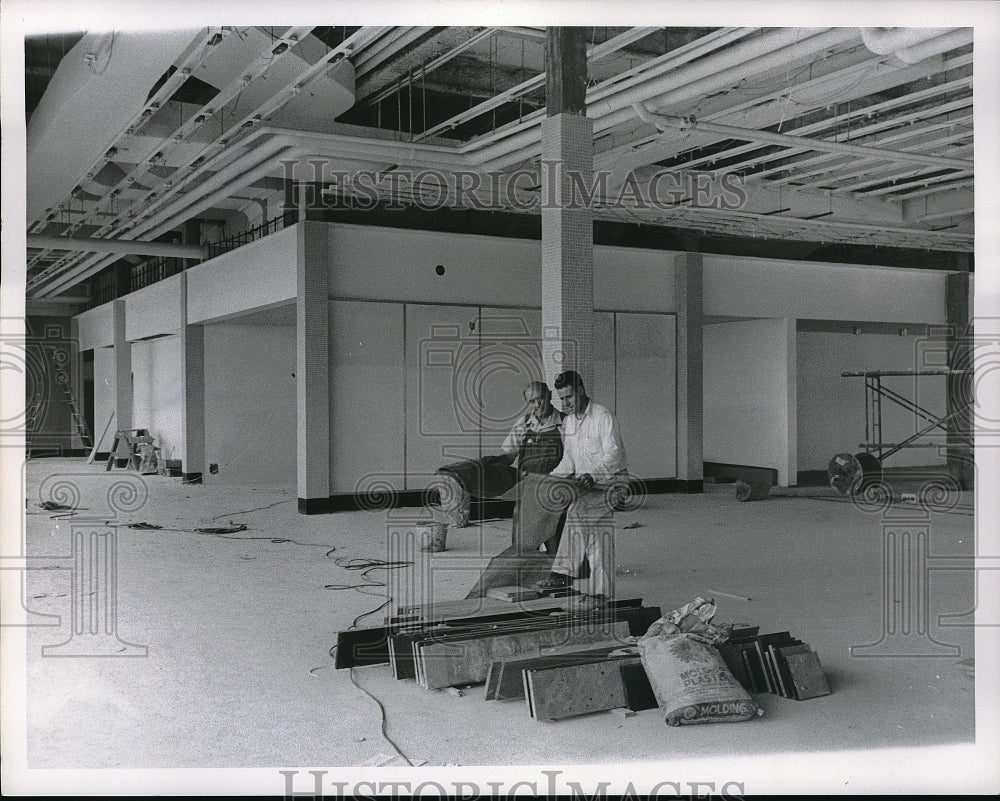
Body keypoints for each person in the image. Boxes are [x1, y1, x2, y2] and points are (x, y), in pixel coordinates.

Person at [535, 370, 628, 613]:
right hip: (587, 484)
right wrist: (549, 480)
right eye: (562, 398)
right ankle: (601, 594)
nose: (565, 404)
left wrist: (593, 475)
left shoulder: (602, 416)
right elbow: (569, 461)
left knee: (578, 509)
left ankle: (563, 572)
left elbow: (614, 455)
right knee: (599, 538)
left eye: (569, 397)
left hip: (612, 482)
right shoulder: (568, 423)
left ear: (581, 391)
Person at [435, 381, 564, 537]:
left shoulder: (565, 423)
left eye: (541, 398)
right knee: (522, 534)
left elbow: (573, 458)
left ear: (550, 395)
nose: (537, 404)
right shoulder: (523, 423)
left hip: (552, 484)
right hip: (525, 481)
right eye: (532, 401)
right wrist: (491, 463)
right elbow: (510, 456)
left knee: (548, 532)